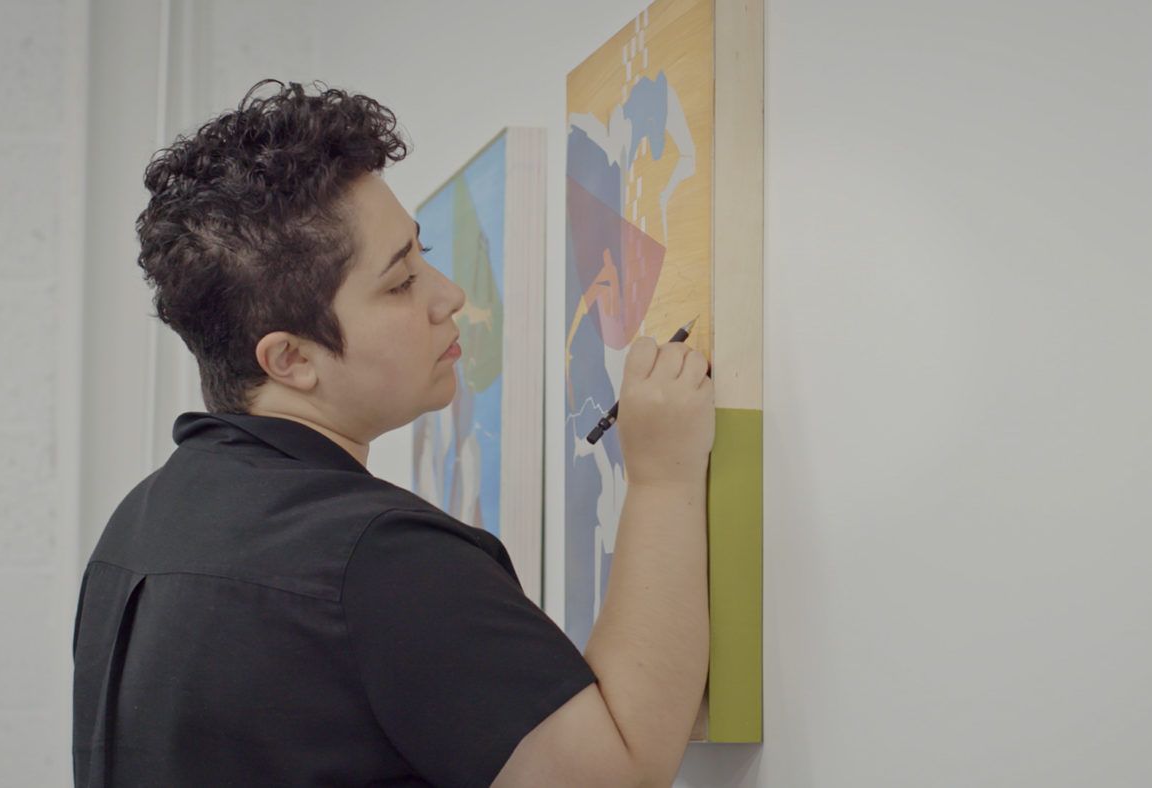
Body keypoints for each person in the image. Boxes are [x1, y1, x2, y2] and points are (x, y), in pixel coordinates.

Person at [71, 80, 715, 788]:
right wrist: (663, 478)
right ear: (292, 360)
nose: (450, 296)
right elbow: (617, 777)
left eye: (422, 252)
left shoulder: (136, 527)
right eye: (401, 281)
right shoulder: (378, 558)